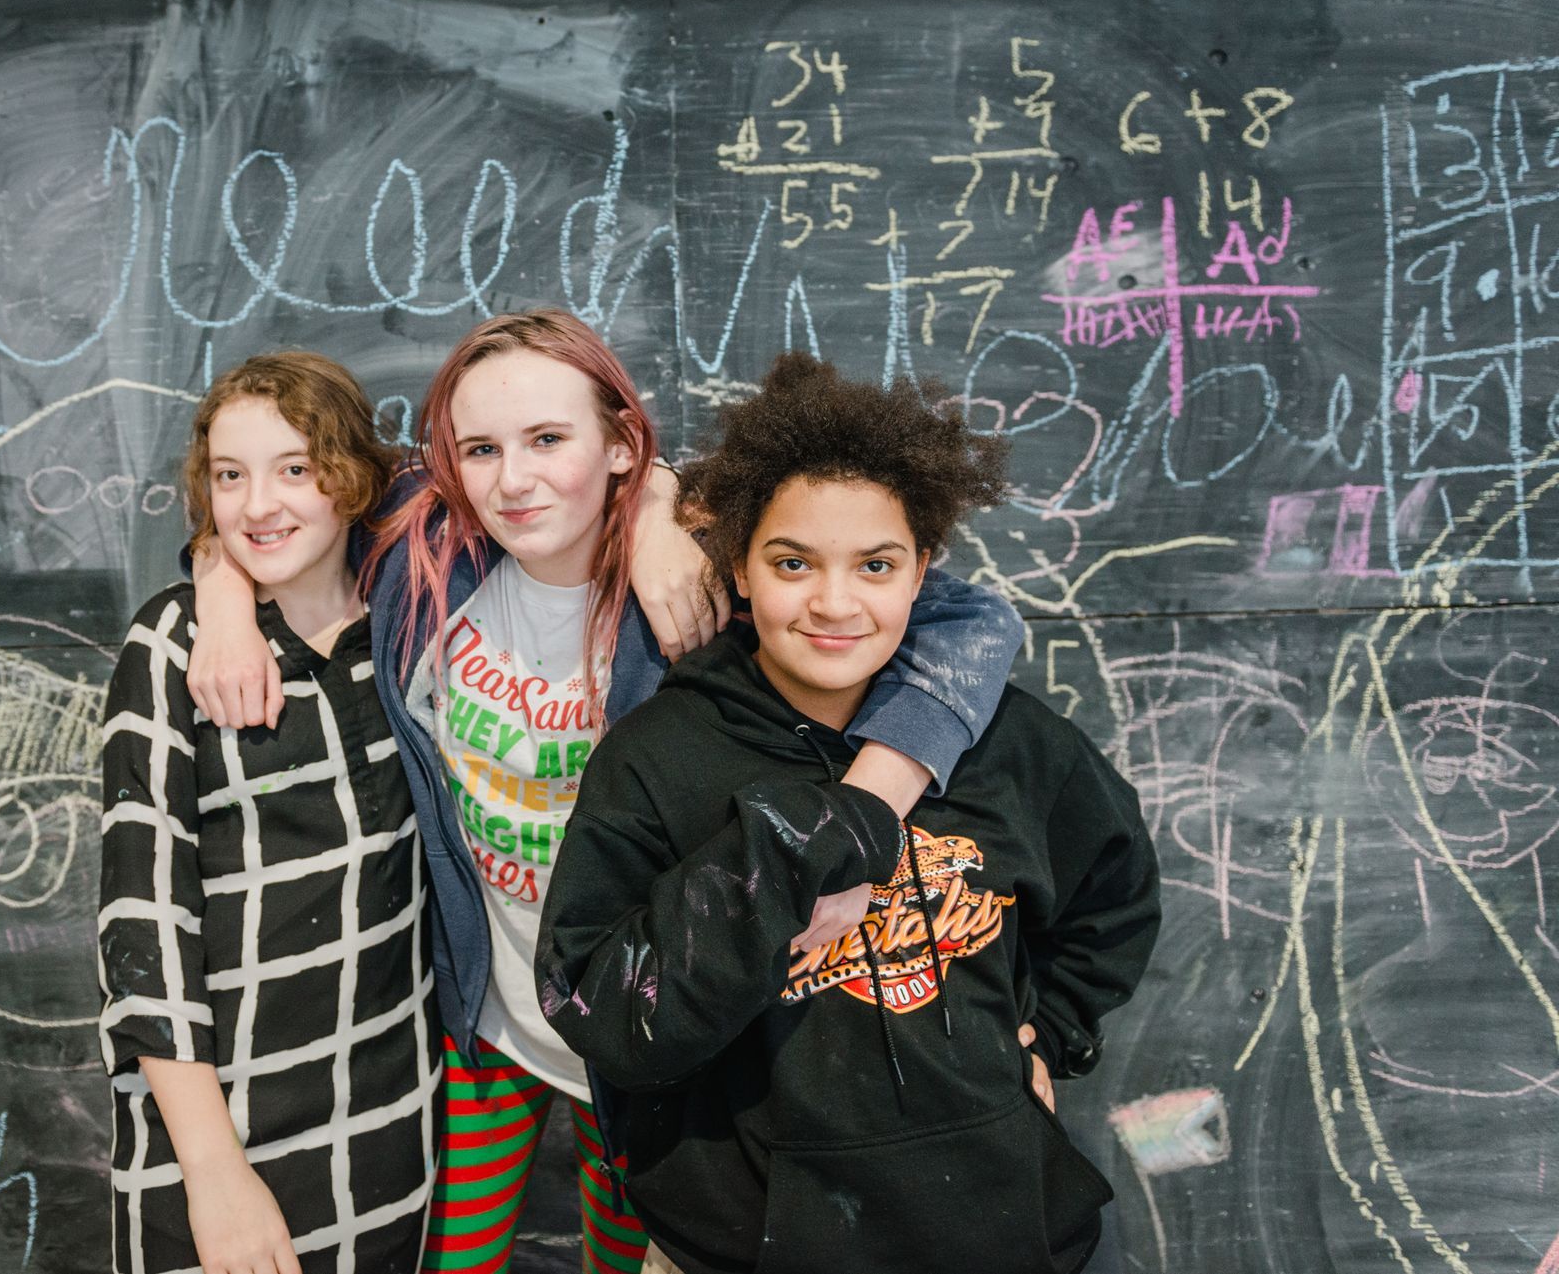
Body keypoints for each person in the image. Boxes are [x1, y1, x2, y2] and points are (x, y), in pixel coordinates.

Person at [187, 311, 1026, 1274]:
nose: (514, 478)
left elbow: (973, 621)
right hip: (492, 1021)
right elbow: (274, 509)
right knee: (451, 1256)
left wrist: (861, 812)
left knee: (630, 1255)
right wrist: (221, 595)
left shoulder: (707, 563)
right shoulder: (430, 549)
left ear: (623, 442)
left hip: (657, 1025)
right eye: (481, 449)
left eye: (549, 438)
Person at [537, 352, 1162, 1274]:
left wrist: (1050, 1031)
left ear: (922, 572)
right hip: (747, 1244)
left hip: (1003, 1231)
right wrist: (793, 847)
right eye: (793, 562)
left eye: (876, 564)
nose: (834, 602)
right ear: (741, 568)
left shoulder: (1014, 745)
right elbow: (603, 1006)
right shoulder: (656, 757)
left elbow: (1115, 896)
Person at [98, 352, 435, 1274]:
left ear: (353, 475)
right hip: (217, 1125)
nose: (257, 505)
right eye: (229, 475)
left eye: (296, 467)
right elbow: (143, 924)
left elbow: (513, 476)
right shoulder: (174, 642)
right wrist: (214, 1174)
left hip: (390, 1119)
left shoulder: (413, 618)